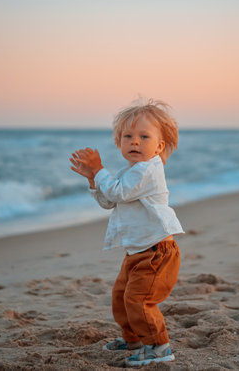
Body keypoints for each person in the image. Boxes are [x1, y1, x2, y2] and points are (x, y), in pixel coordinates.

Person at [70, 99, 184, 366]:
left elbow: (117, 192)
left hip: (156, 252)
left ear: (159, 146)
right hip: (136, 251)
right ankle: (133, 339)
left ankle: (159, 346)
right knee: (121, 298)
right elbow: (109, 201)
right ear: (119, 142)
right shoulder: (129, 171)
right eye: (128, 136)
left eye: (144, 136)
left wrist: (99, 171)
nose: (135, 141)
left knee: (139, 300)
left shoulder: (148, 170)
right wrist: (92, 180)